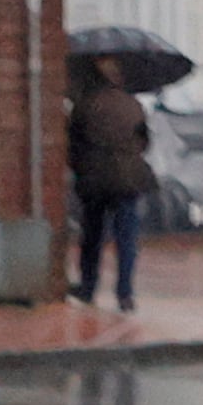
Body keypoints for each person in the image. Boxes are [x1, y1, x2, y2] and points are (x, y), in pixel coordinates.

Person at [68, 57, 154, 311]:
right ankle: (125, 294)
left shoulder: (84, 106)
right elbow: (145, 142)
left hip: (95, 180)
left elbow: (73, 144)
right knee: (126, 239)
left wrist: (80, 168)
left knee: (92, 237)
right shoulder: (134, 105)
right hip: (128, 179)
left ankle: (87, 288)